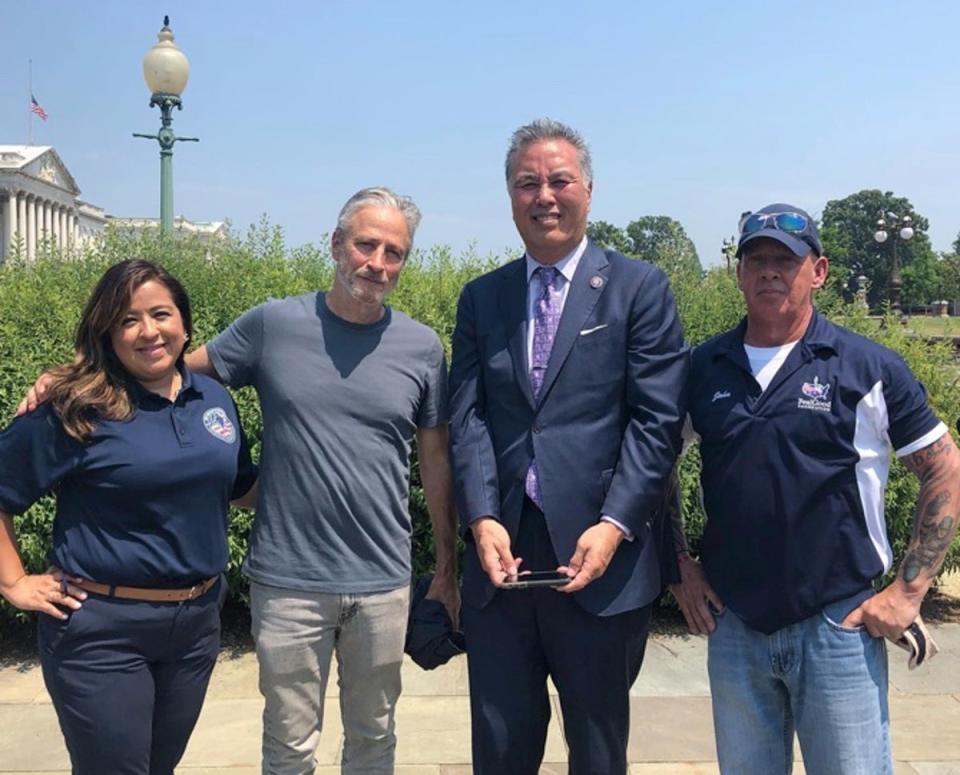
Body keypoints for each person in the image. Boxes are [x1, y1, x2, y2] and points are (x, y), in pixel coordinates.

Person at [669, 203, 960, 774]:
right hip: (737, 626)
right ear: (739, 272)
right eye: (757, 260)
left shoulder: (866, 366)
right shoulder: (703, 368)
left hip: (839, 626)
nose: (770, 272)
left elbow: (944, 468)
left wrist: (907, 592)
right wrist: (678, 563)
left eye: (786, 260)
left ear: (819, 271)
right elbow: (655, 469)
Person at [185, 187, 458, 773]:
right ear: (336, 244)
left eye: (394, 252)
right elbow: (173, 376)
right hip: (288, 582)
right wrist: (74, 379)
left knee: (374, 739)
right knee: (288, 748)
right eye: (366, 245)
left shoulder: (423, 348)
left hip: (383, 584)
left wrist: (445, 567)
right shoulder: (272, 325)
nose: (378, 264)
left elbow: (435, 462)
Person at [448, 118, 689, 774]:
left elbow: (656, 422)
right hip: (504, 561)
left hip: (599, 564)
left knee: (598, 750)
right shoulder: (482, 298)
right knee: (499, 749)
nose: (544, 195)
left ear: (588, 188)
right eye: (528, 183)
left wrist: (614, 525)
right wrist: (480, 517)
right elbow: (466, 418)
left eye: (558, 180)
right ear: (510, 196)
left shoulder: (638, 288)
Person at [0, 259, 257, 775]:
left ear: (184, 322)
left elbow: (242, 489)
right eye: (128, 319)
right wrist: (13, 582)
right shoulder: (75, 406)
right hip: (101, 629)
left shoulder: (213, 398)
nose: (148, 331)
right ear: (108, 332)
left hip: (196, 623)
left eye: (160, 314)